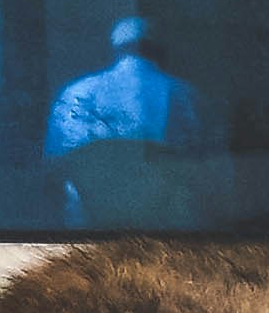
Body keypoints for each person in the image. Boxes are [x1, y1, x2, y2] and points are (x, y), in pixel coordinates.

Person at [46, 16, 203, 227]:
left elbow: (55, 162)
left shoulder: (78, 91)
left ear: (115, 48)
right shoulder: (183, 93)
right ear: (158, 50)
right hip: (164, 222)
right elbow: (200, 162)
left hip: (91, 223)